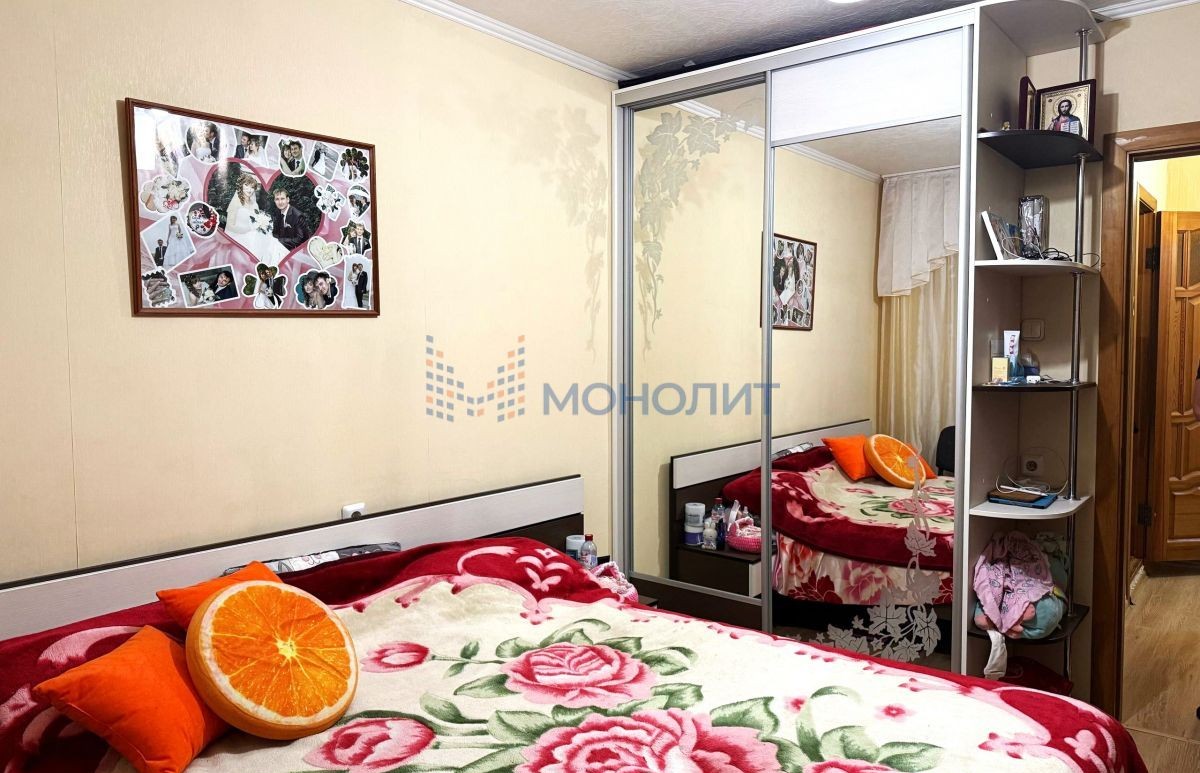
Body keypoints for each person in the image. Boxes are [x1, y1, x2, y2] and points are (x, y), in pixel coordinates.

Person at [225, 172, 288, 263]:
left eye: (252, 187)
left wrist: (263, 225)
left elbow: (257, 220)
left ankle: (273, 263)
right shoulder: (236, 202)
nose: (249, 189)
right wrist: (248, 230)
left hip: (251, 234)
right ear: (241, 186)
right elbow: (229, 225)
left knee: (270, 241)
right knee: (256, 237)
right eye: (246, 185)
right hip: (237, 235)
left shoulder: (255, 205)